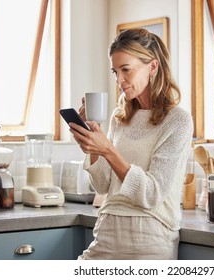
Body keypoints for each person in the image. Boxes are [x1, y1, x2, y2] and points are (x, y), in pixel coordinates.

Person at [68, 28, 193, 260]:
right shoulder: (120, 117)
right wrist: (93, 144)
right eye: (115, 72)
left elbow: (151, 194)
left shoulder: (178, 121)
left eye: (126, 70)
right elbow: (103, 185)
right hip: (107, 231)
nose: (119, 80)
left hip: (149, 237)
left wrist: (107, 149)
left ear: (153, 67)